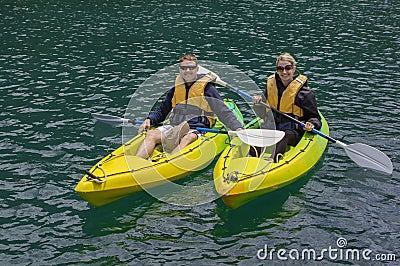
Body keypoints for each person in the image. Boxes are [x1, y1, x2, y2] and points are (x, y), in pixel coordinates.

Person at [136, 53, 243, 159]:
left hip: (198, 128)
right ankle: (136, 164)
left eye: (191, 68)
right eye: (184, 68)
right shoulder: (175, 88)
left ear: (197, 69)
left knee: (188, 138)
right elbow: (162, 110)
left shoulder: (207, 88)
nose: (187, 71)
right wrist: (149, 120)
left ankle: (169, 162)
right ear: (180, 70)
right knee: (151, 135)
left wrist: (237, 127)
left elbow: (223, 111)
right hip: (175, 125)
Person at [252, 52, 321, 161]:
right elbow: (262, 114)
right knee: (255, 141)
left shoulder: (304, 94)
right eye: (280, 69)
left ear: (294, 69)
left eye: (288, 68)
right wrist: (257, 104)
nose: (284, 72)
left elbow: (315, 117)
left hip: (292, 131)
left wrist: (312, 124)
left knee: (284, 136)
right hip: (272, 127)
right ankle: (250, 157)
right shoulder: (271, 87)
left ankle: (272, 160)